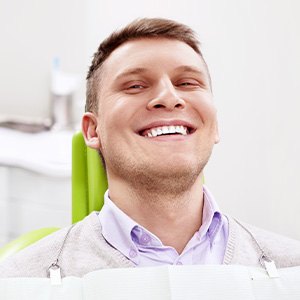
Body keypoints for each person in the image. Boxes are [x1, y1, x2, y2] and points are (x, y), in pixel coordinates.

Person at [1, 18, 300, 278]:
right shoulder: (21, 281)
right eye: (135, 86)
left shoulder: (292, 269)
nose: (169, 97)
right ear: (93, 130)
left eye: (187, 83)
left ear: (215, 125)